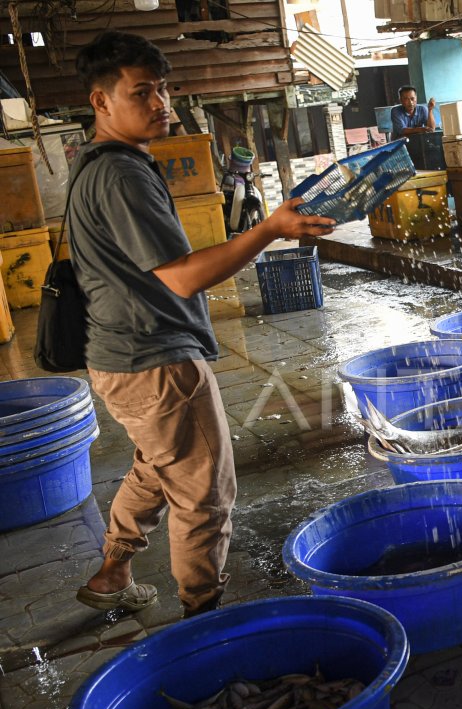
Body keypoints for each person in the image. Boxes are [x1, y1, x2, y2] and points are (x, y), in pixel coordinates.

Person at [69, 31, 336, 617]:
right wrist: (267, 231)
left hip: (117, 359)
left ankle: (114, 571)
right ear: (101, 101)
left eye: (163, 89)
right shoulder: (121, 174)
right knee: (204, 493)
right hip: (156, 361)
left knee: (157, 462)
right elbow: (184, 278)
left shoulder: (95, 165)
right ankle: (203, 619)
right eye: (143, 92)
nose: (161, 102)